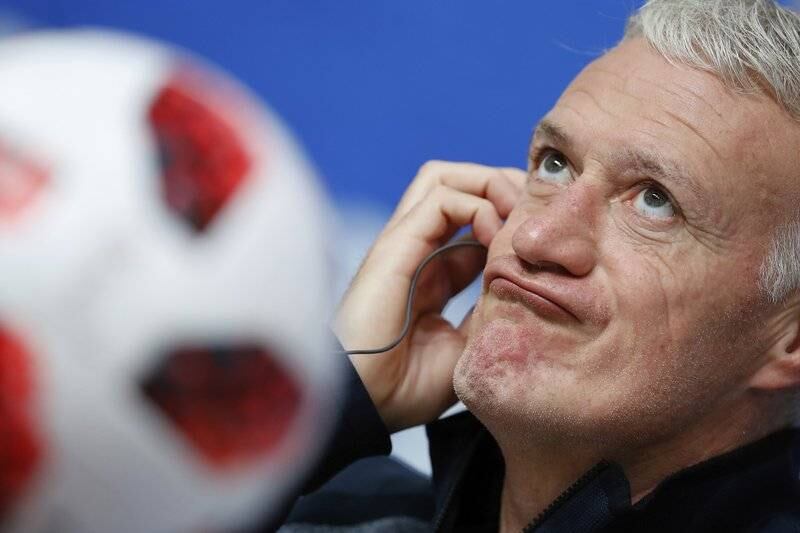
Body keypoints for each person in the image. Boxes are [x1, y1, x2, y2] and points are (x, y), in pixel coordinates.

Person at [281, 0, 800, 531]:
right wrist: (331, 408)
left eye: (654, 201)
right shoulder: (317, 502)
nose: (534, 237)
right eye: (555, 164)